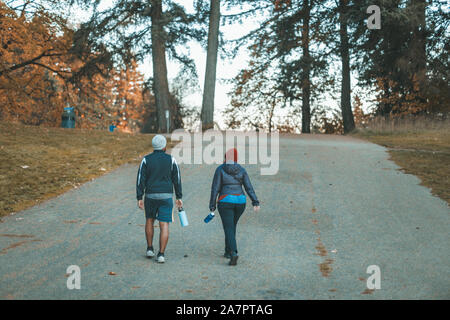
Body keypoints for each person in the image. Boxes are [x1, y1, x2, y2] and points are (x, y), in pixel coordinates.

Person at [209, 148, 260, 266]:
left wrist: (212, 205)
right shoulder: (242, 170)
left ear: (226, 157)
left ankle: (233, 253)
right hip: (240, 201)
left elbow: (215, 188)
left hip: (225, 200)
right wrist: (255, 202)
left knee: (228, 227)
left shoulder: (220, 169)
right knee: (231, 226)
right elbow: (248, 187)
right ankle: (228, 251)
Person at [136, 135, 183, 263]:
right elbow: (177, 179)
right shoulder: (171, 159)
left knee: (149, 220)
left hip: (150, 195)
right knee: (164, 224)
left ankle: (150, 248)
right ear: (164, 146)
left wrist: (139, 196)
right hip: (166, 195)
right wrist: (179, 196)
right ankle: (161, 254)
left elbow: (141, 178)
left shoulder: (146, 160)